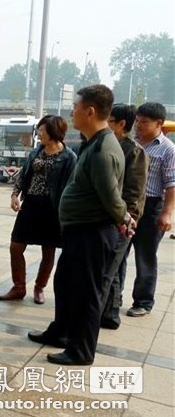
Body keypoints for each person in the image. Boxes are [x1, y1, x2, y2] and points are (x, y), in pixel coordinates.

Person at [28, 84, 133, 365]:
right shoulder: (94, 143)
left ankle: (81, 350)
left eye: (75, 108)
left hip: (92, 232)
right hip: (79, 230)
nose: (71, 113)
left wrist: (124, 218)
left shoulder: (103, 151)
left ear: (89, 111)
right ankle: (60, 332)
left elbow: (111, 197)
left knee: (86, 292)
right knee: (65, 283)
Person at [0, 115, 77, 304]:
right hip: (31, 204)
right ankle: (19, 287)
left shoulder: (69, 157)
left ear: (53, 131)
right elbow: (23, 175)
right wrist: (14, 194)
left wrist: (65, 216)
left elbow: (71, 186)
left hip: (52, 208)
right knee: (16, 246)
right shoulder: (36, 152)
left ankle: (39, 287)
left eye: (41, 130)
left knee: (48, 250)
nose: (38, 133)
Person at [100, 104, 148, 329]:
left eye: (110, 120)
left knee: (107, 270)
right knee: (113, 267)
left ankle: (95, 317)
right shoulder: (106, 145)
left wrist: (127, 219)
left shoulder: (134, 151)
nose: (106, 124)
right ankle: (110, 314)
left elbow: (134, 191)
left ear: (121, 124)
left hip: (121, 220)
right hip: (104, 218)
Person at [126, 102, 175, 317]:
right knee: (118, 252)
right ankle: (112, 298)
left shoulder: (167, 149)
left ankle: (143, 302)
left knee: (145, 256)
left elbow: (172, 183)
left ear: (159, 124)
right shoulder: (130, 143)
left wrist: (167, 212)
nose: (139, 125)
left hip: (152, 206)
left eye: (144, 122)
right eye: (138, 121)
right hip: (128, 205)